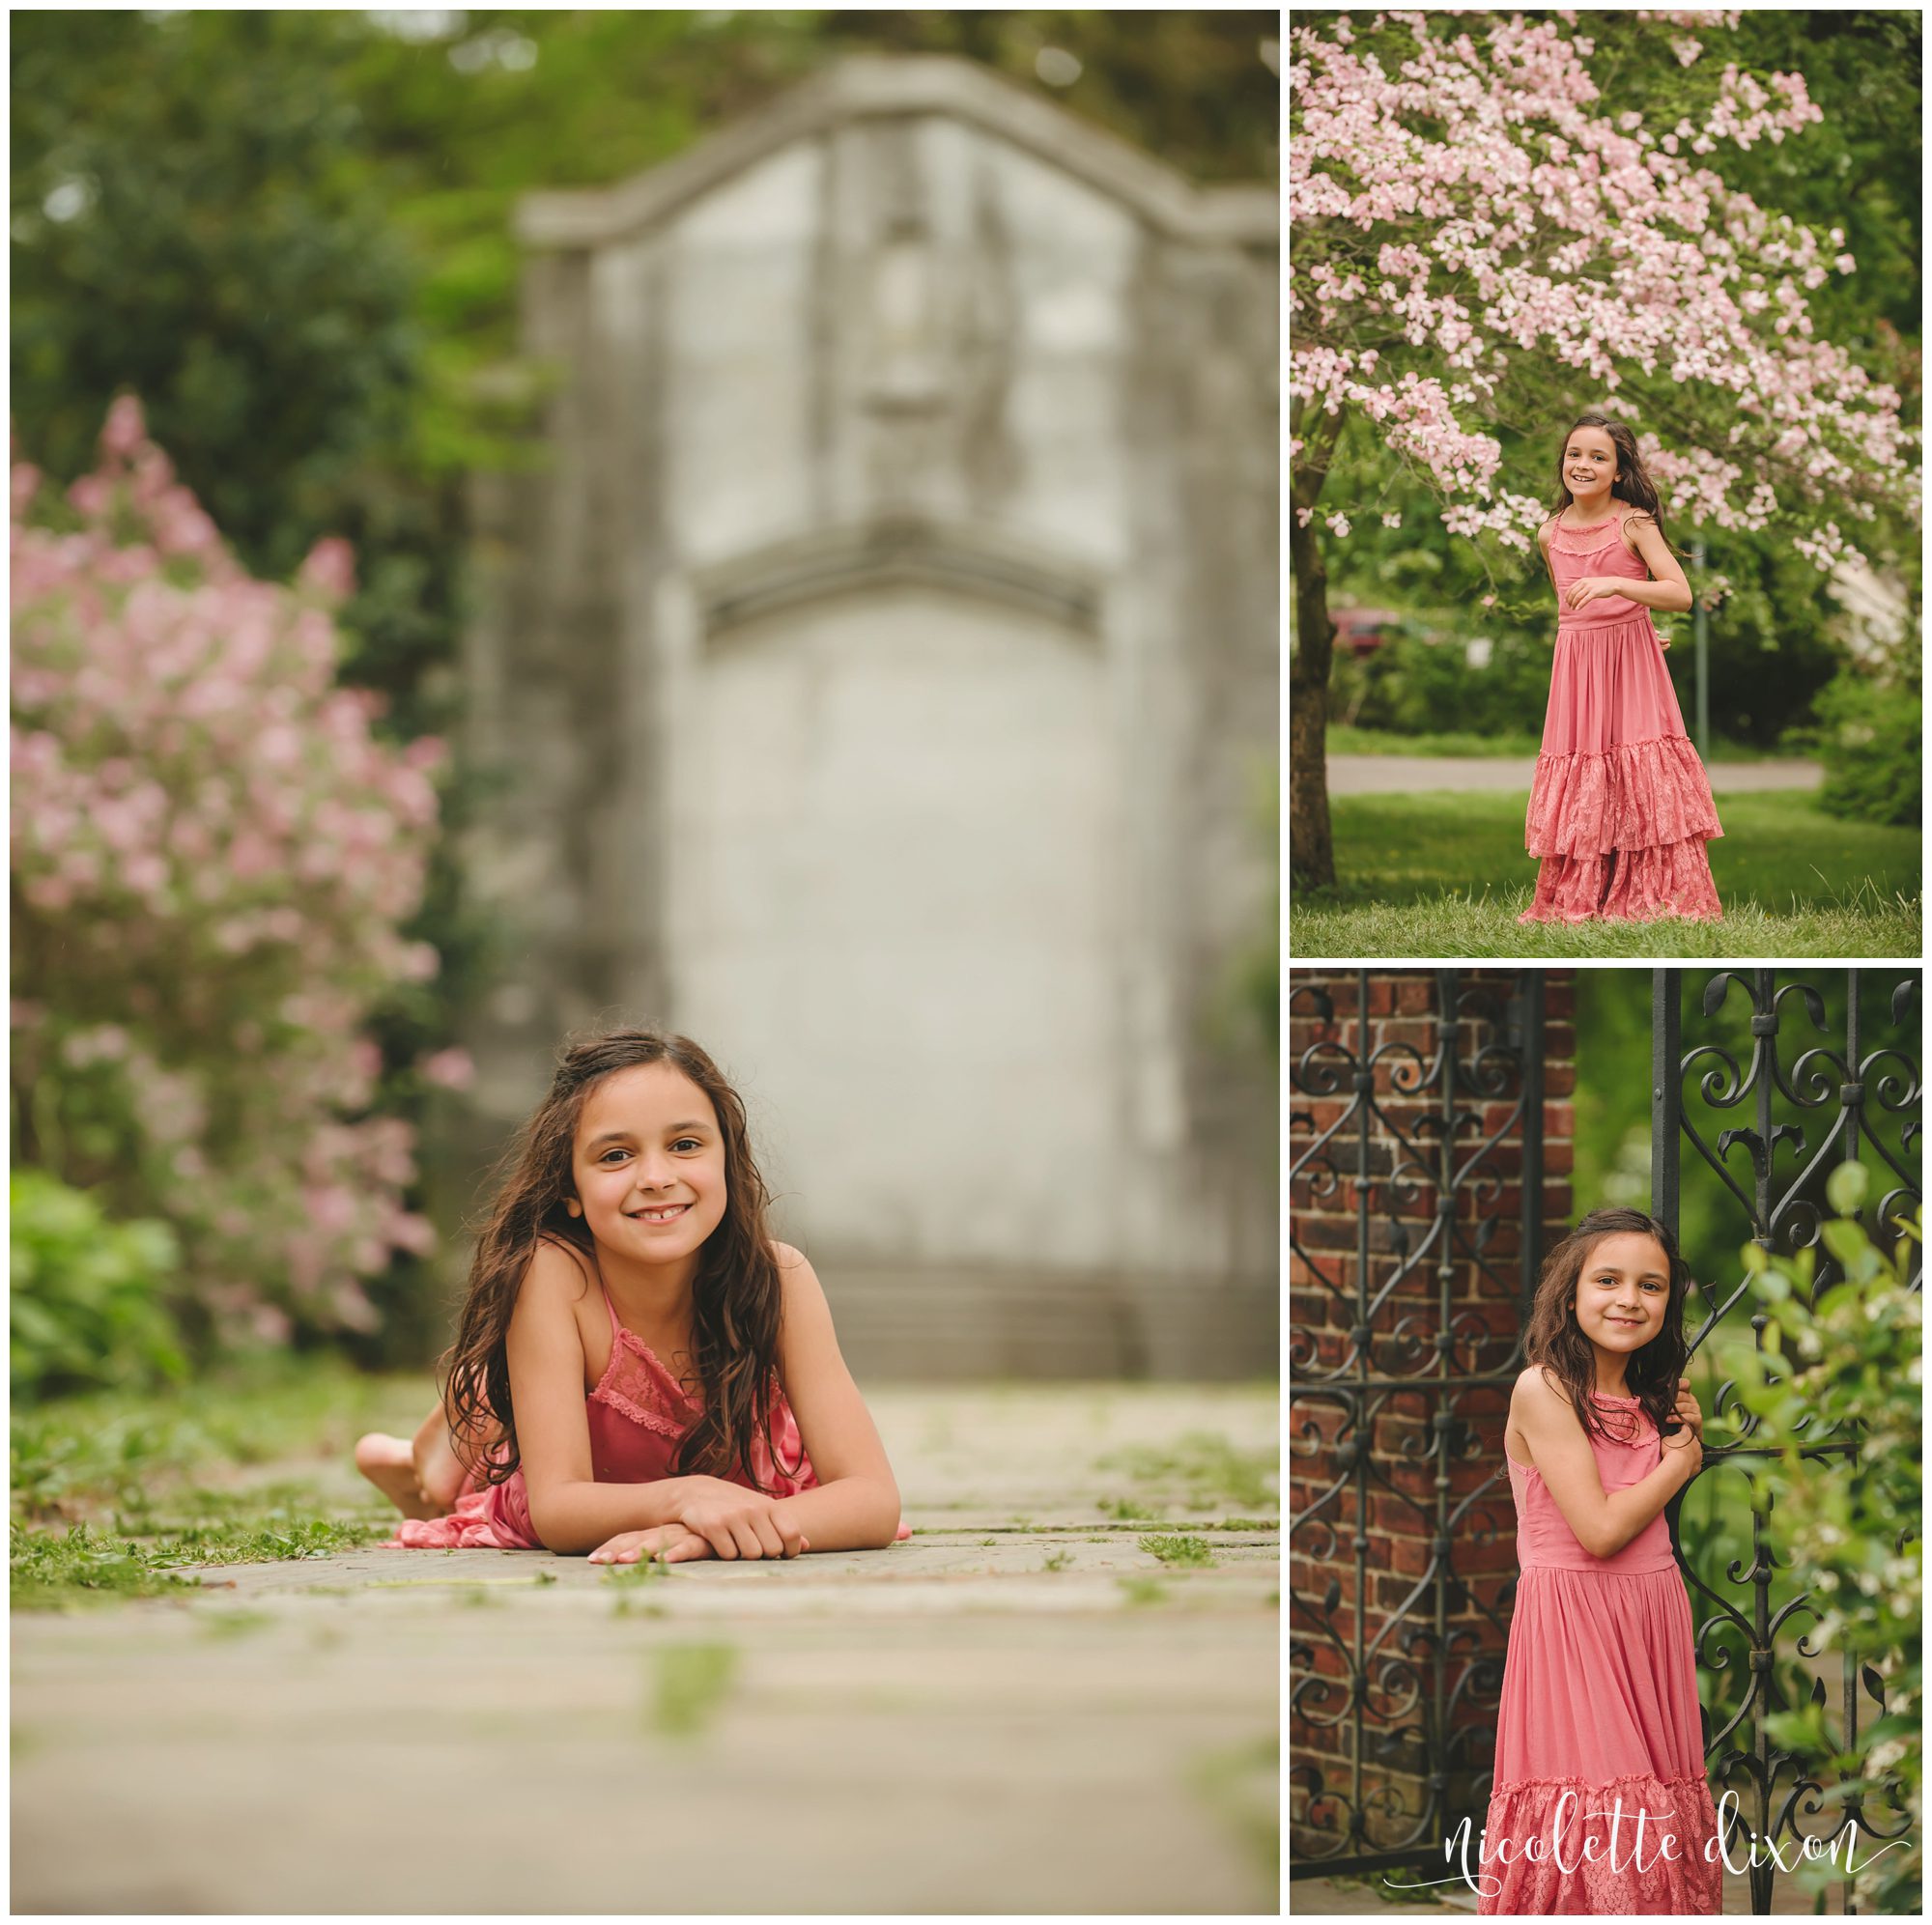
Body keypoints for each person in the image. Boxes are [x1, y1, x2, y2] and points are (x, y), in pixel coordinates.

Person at [354, 1028, 907, 1564]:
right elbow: (558, 1509)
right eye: (616, 1156)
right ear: (569, 1188)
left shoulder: (780, 1278)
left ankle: (448, 1443)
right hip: (593, 1485)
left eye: (685, 1145)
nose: (656, 1177)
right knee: (482, 1473)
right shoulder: (555, 1276)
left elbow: (873, 1500)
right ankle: (439, 1453)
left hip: (721, 1487)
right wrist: (687, 1497)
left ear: (727, 1159)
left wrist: (706, 1535)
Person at [1477, 1207, 1722, 1914]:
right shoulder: (1545, 1388)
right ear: (1571, 1292)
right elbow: (1600, 1529)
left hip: (1649, 1613)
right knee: (1606, 1814)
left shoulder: (1652, 1398)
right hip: (1575, 1622)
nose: (1628, 1299)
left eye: (1651, 1285)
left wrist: (1675, 1436)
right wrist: (1681, 1460)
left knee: (1657, 1811)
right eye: (1608, 1280)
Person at [1522, 413, 1723, 924]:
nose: (1582, 465)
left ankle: (1651, 894)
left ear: (1618, 471)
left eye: (1598, 457)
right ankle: (1584, 894)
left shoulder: (1633, 523)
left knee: (1637, 770)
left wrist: (1619, 591)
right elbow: (1572, 610)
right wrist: (1616, 620)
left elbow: (1679, 593)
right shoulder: (1549, 533)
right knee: (1586, 768)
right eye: (1574, 454)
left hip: (1631, 669)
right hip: (1577, 669)